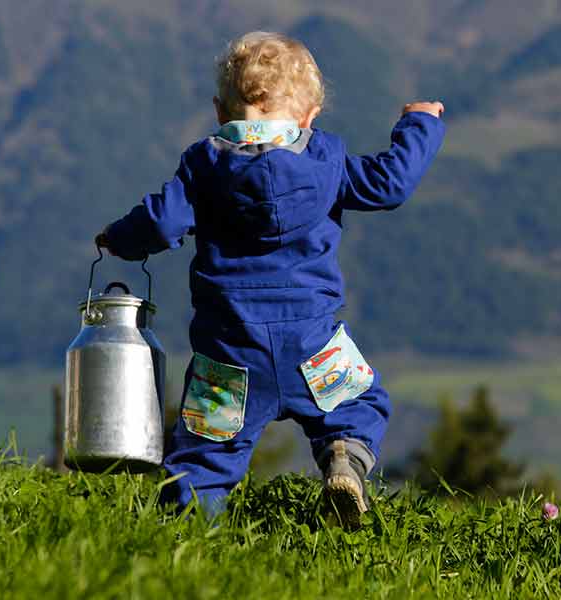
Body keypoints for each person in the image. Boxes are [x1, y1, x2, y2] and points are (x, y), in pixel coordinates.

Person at [96, 31, 444, 528]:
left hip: (230, 353)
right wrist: (420, 124)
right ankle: (343, 458)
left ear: (221, 112)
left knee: (202, 459)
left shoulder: (204, 165)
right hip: (313, 344)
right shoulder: (326, 161)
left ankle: (188, 539)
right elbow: (389, 183)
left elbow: (161, 224)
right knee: (358, 407)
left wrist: (117, 238)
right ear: (308, 115)